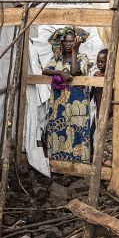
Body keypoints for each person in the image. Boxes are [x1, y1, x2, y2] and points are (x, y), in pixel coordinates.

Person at [41, 26, 92, 162]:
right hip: (59, 102)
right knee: (59, 130)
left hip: (77, 102)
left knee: (76, 130)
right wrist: (60, 72)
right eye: (66, 42)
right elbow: (45, 70)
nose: (68, 44)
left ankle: (78, 162)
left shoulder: (82, 57)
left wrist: (75, 51)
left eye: (71, 42)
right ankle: (58, 161)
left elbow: (75, 72)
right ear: (62, 43)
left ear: (76, 42)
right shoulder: (57, 58)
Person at [90, 48, 113, 166]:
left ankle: (108, 159)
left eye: (103, 62)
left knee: (109, 137)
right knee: (101, 135)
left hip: (111, 113)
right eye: (98, 61)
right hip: (100, 112)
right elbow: (92, 92)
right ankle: (102, 157)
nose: (99, 64)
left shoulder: (112, 77)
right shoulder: (96, 75)